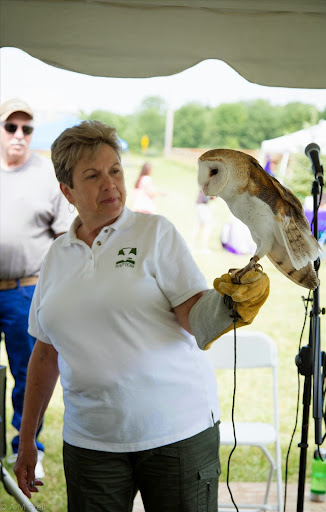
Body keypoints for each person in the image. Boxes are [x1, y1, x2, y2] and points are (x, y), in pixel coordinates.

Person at [14, 121, 269, 511]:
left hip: (176, 435)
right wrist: (28, 438)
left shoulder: (155, 233)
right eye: (93, 176)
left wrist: (231, 305)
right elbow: (45, 354)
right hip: (91, 444)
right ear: (67, 191)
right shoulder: (55, 257)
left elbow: (194, 318)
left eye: (115, 170)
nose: (110, 184)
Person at [0, 98, 72, 478]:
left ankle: (28, 448)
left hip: (25, 290)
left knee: (29, 372)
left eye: (26, 129)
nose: (18, 135)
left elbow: (66, 236)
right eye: (10, 127)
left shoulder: (47, 176)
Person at [191, 188, 214, 252]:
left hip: (198, 205)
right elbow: (209, 197)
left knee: (198, 225)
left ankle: (192, 245)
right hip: (203, 207)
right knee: (208, 226)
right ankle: (204, 248)